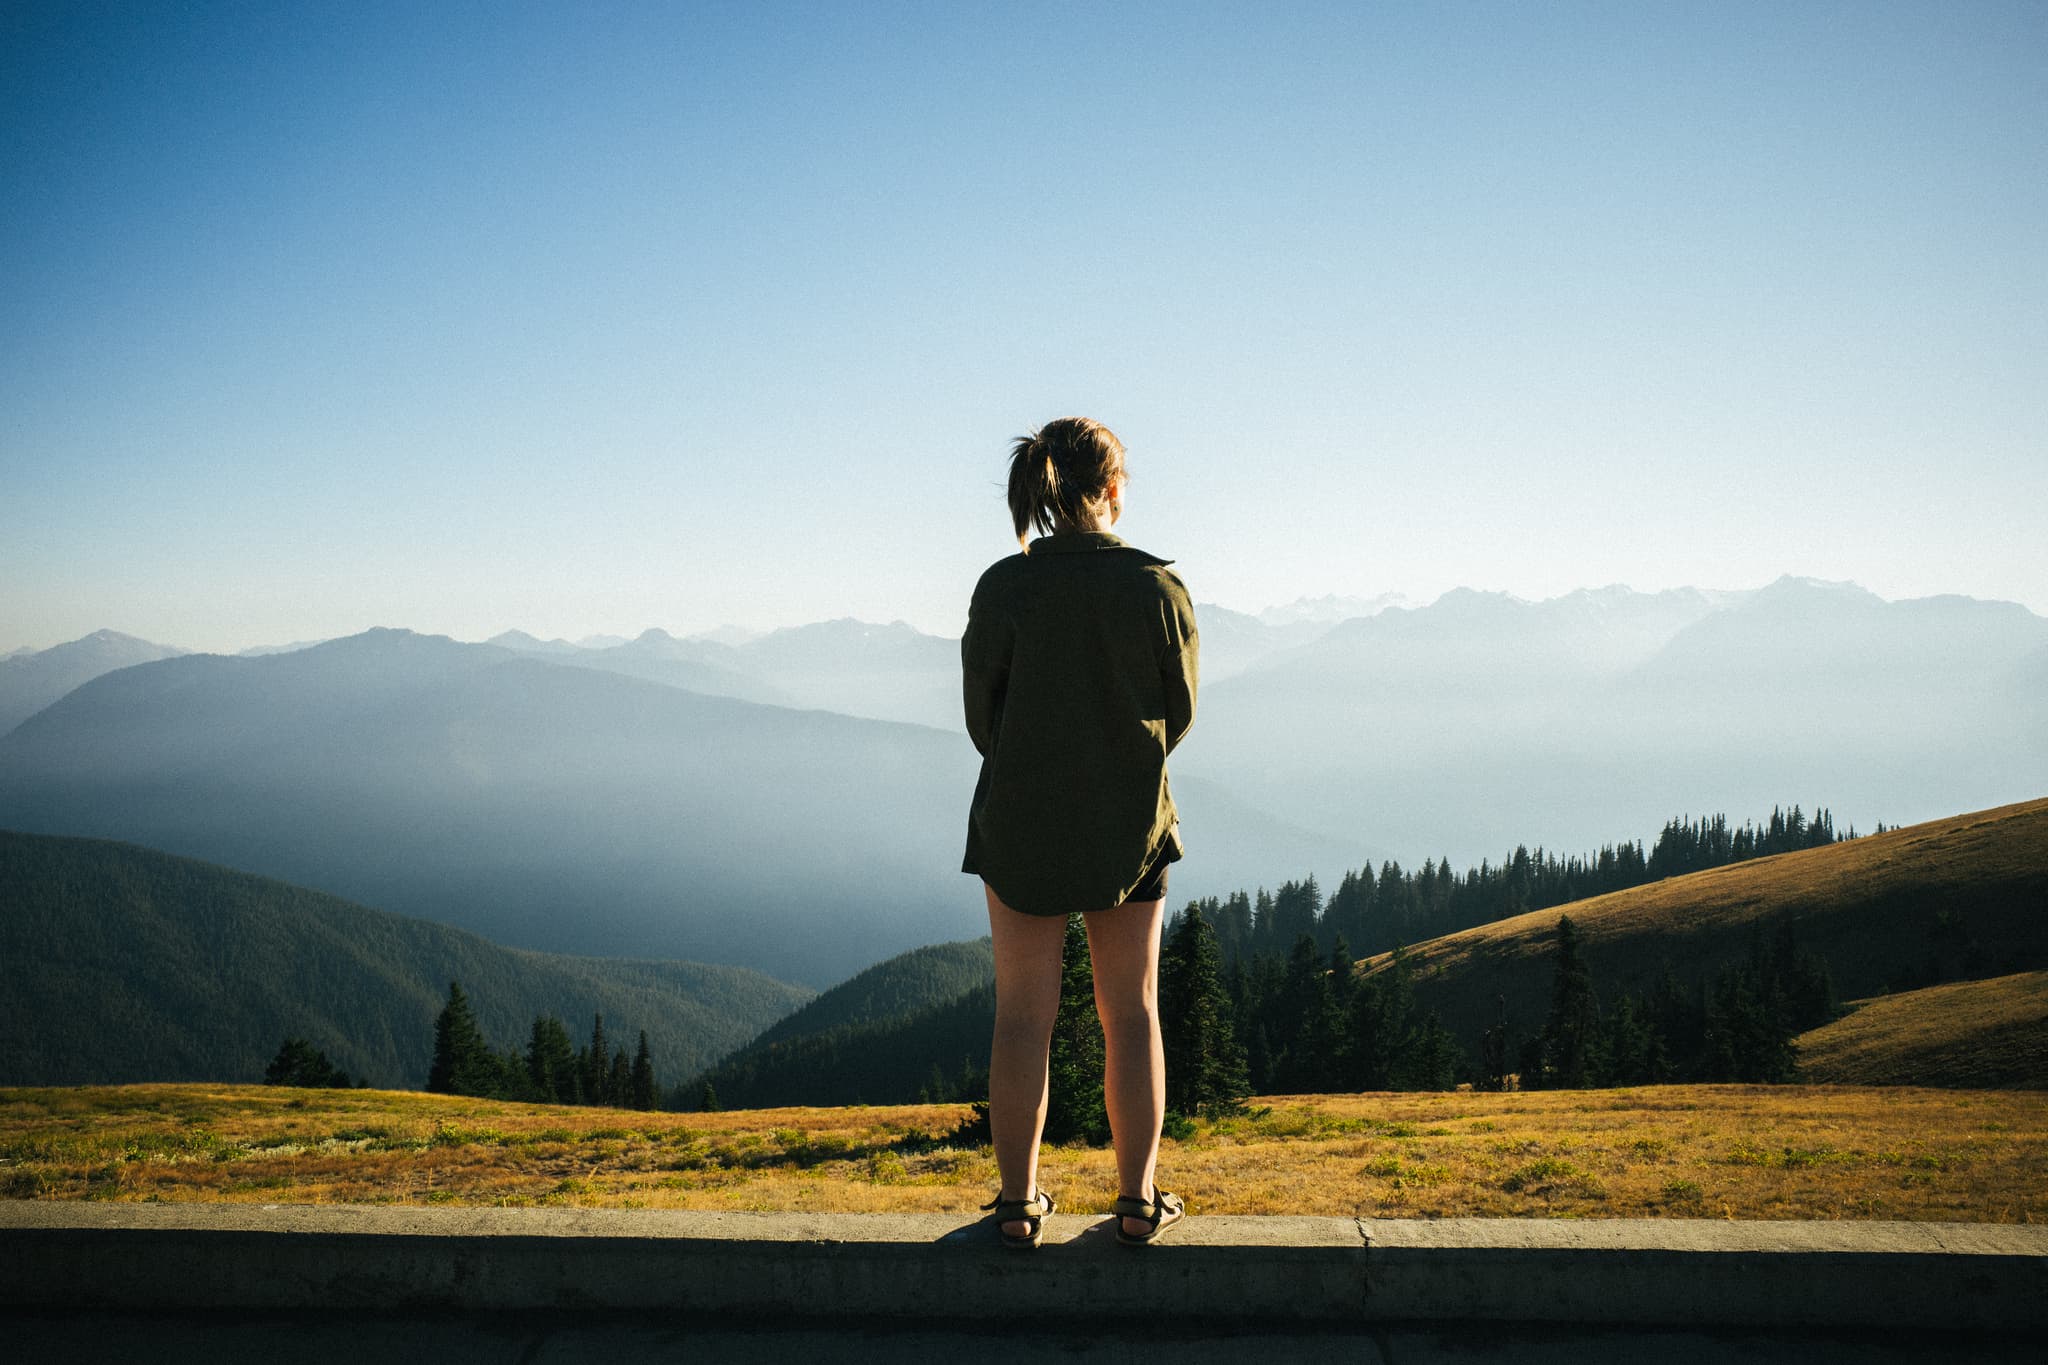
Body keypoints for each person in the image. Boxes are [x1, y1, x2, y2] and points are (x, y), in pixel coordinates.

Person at [960, 416, 1199, 1249]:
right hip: (1127, 828)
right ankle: (1137, 1201)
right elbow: (1181, 712)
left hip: (1019, 823)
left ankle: (1019, 1204)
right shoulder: (1156, 588)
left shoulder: (1003, 588)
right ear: (1112, 486)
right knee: (1130, 1012)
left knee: (1022, 1015)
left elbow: (981, 719)